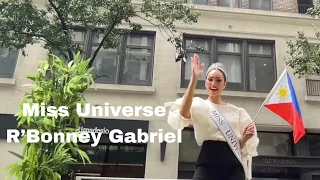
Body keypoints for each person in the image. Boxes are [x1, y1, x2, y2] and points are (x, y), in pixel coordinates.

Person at [164, 54, 259, 180]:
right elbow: (183, 113)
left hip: (233, 166)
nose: (214, 83)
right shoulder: (199, 105)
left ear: (224, 84)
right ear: (206, 83)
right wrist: (194, 79)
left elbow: (238, 146)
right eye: (210, 79)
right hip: (207, 163)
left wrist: (245, 138)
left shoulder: (237, 112)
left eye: (218, 80)